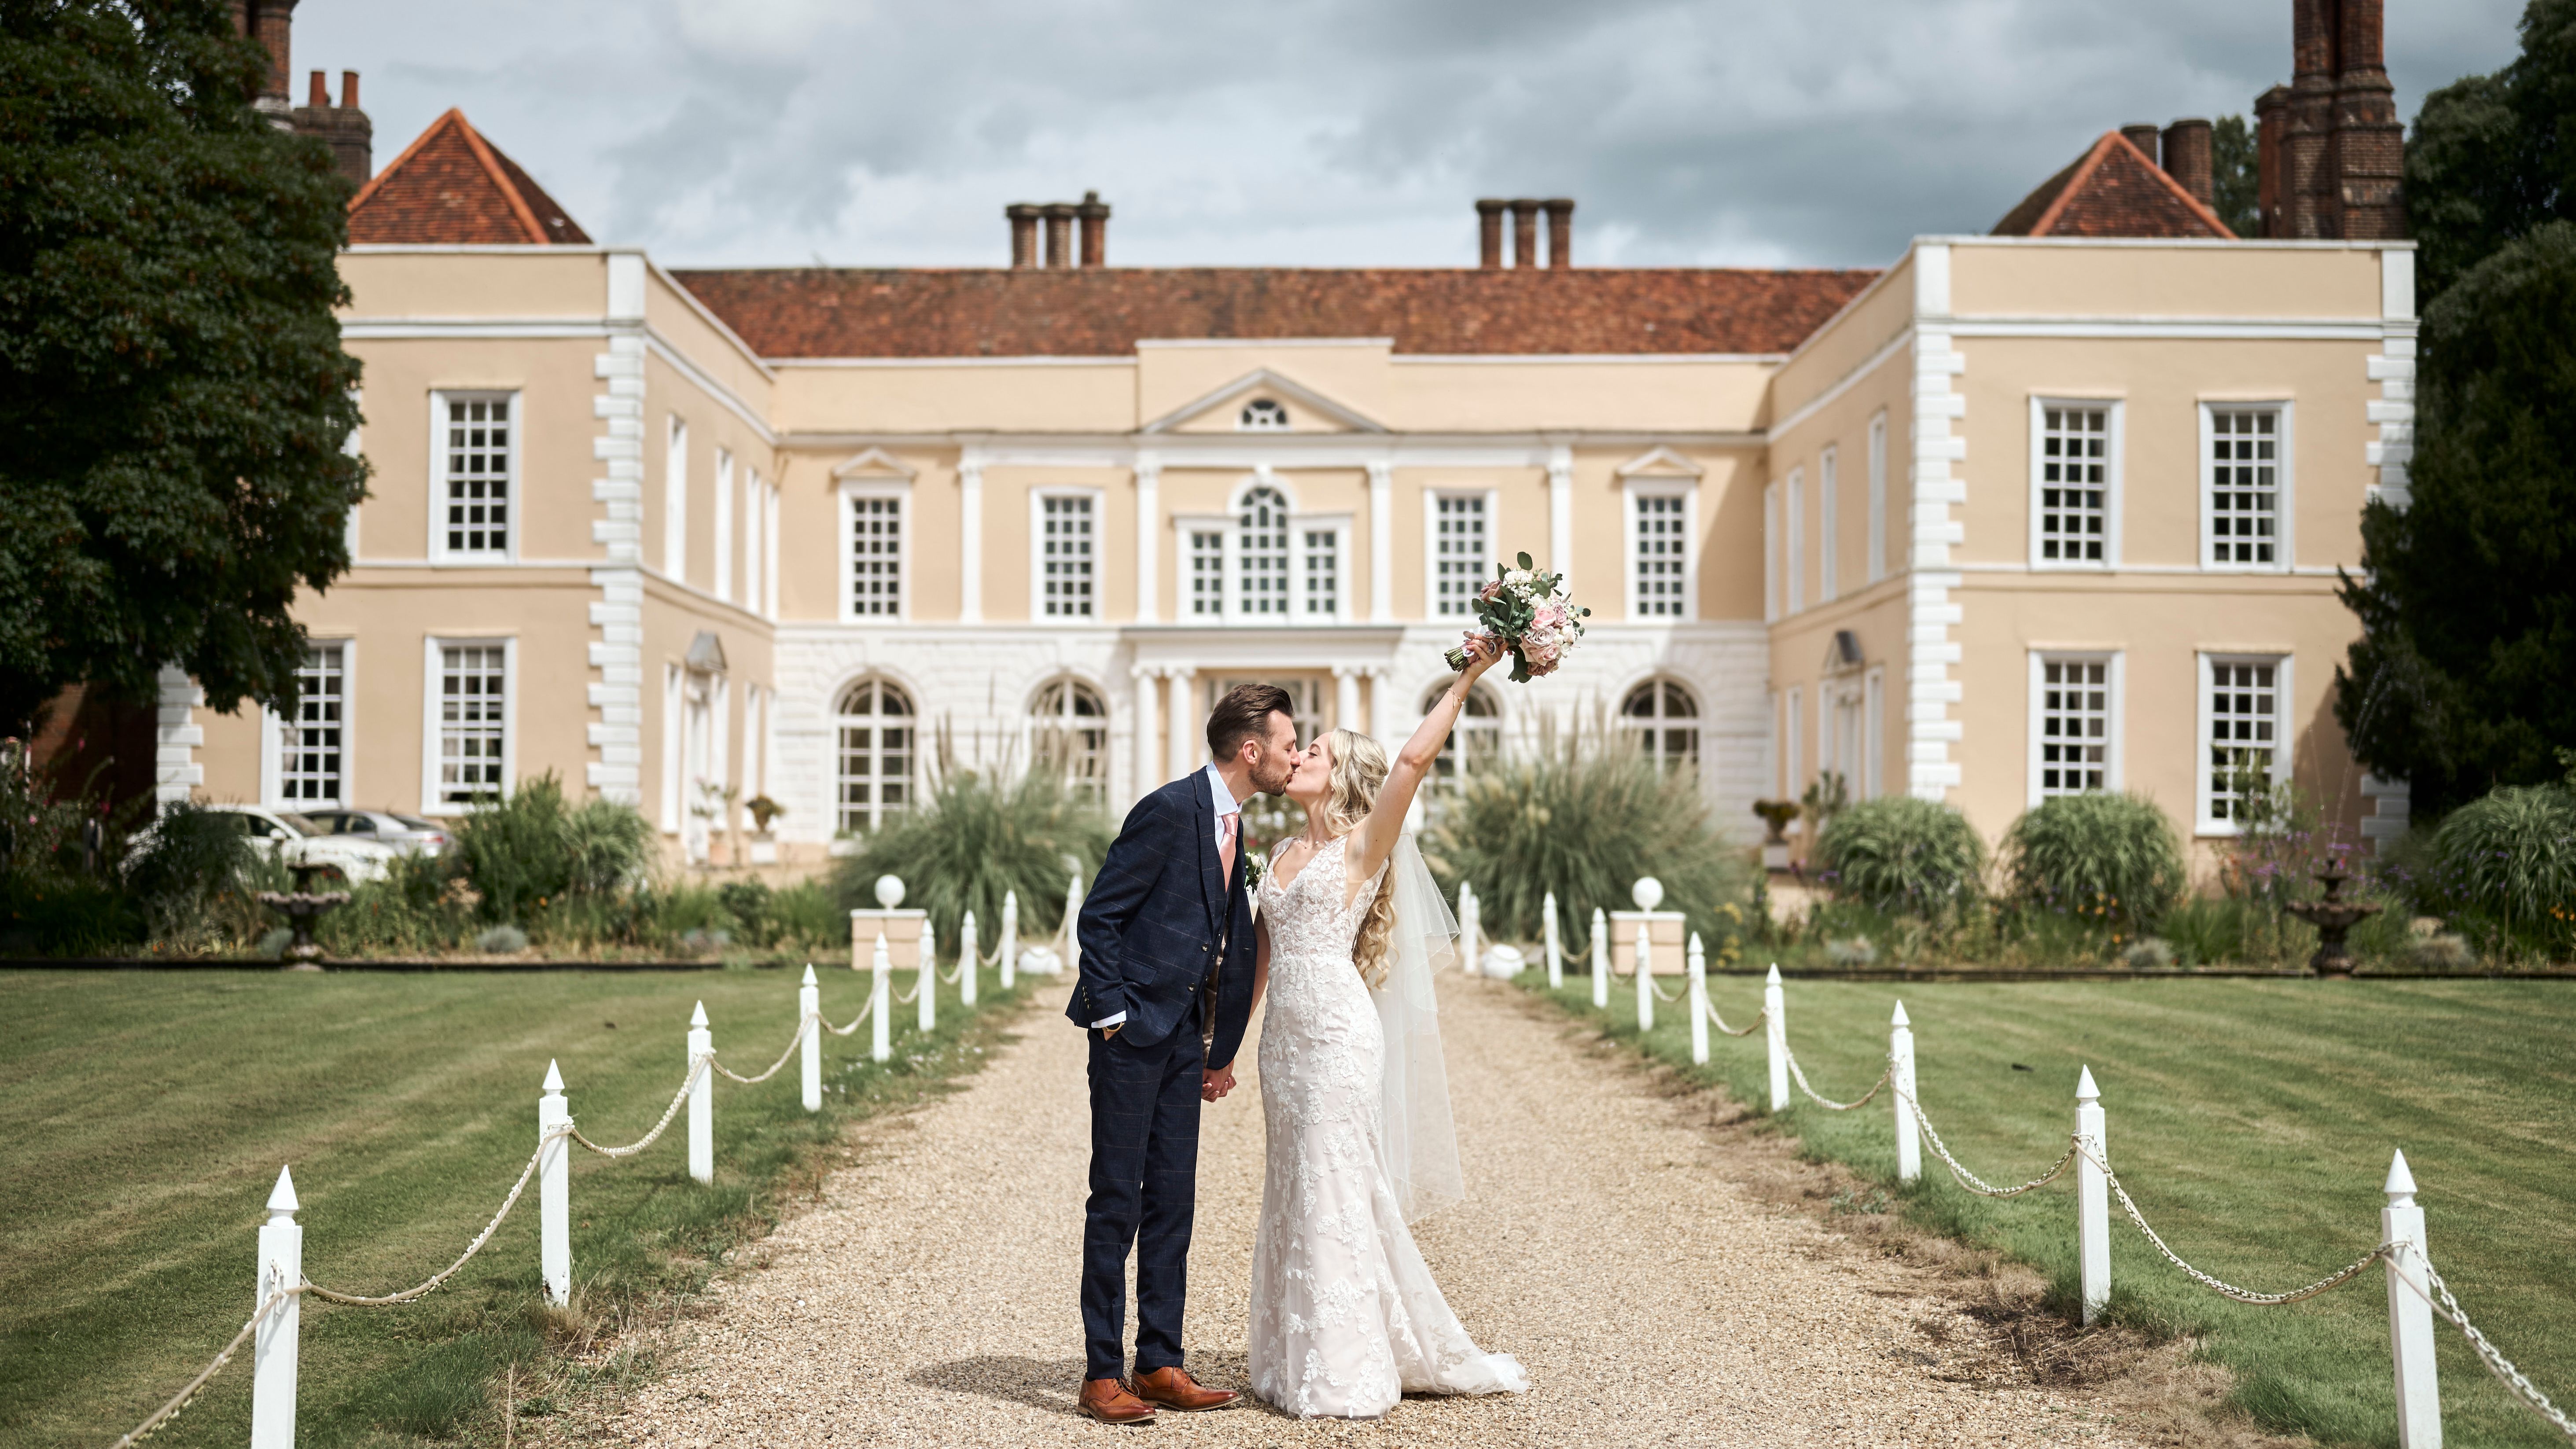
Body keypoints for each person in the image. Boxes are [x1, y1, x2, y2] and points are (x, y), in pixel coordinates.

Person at [1240, 635, 1530, 1417]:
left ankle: (1344, 1367)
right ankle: (1293, 1353)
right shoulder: (1278, 853)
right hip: (1284, 1048)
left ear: (1341, 777)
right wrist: (1225, 1046)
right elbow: (1262, 959)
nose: (1298, 755)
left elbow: (1408, 765)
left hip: (1338, 1039)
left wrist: (1469, 675)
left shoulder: (1364, 846)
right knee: (1295, 1185)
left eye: (1317, 752)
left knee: (1335, 1182)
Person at [1066, 683, 1297, 1424]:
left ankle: (1160, 1361)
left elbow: (1223, 948)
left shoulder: (1237, 824)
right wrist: (1112, 1017)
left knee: (1173, 1203)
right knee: (1117, 1201)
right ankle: (1102, 1373)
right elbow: (1100, 917)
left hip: (1182, 1044)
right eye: (1289, 746)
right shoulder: (1169, 810)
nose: (1295, 758)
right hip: (1132, 1040)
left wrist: (1217, 1046)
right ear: (1251, 750)